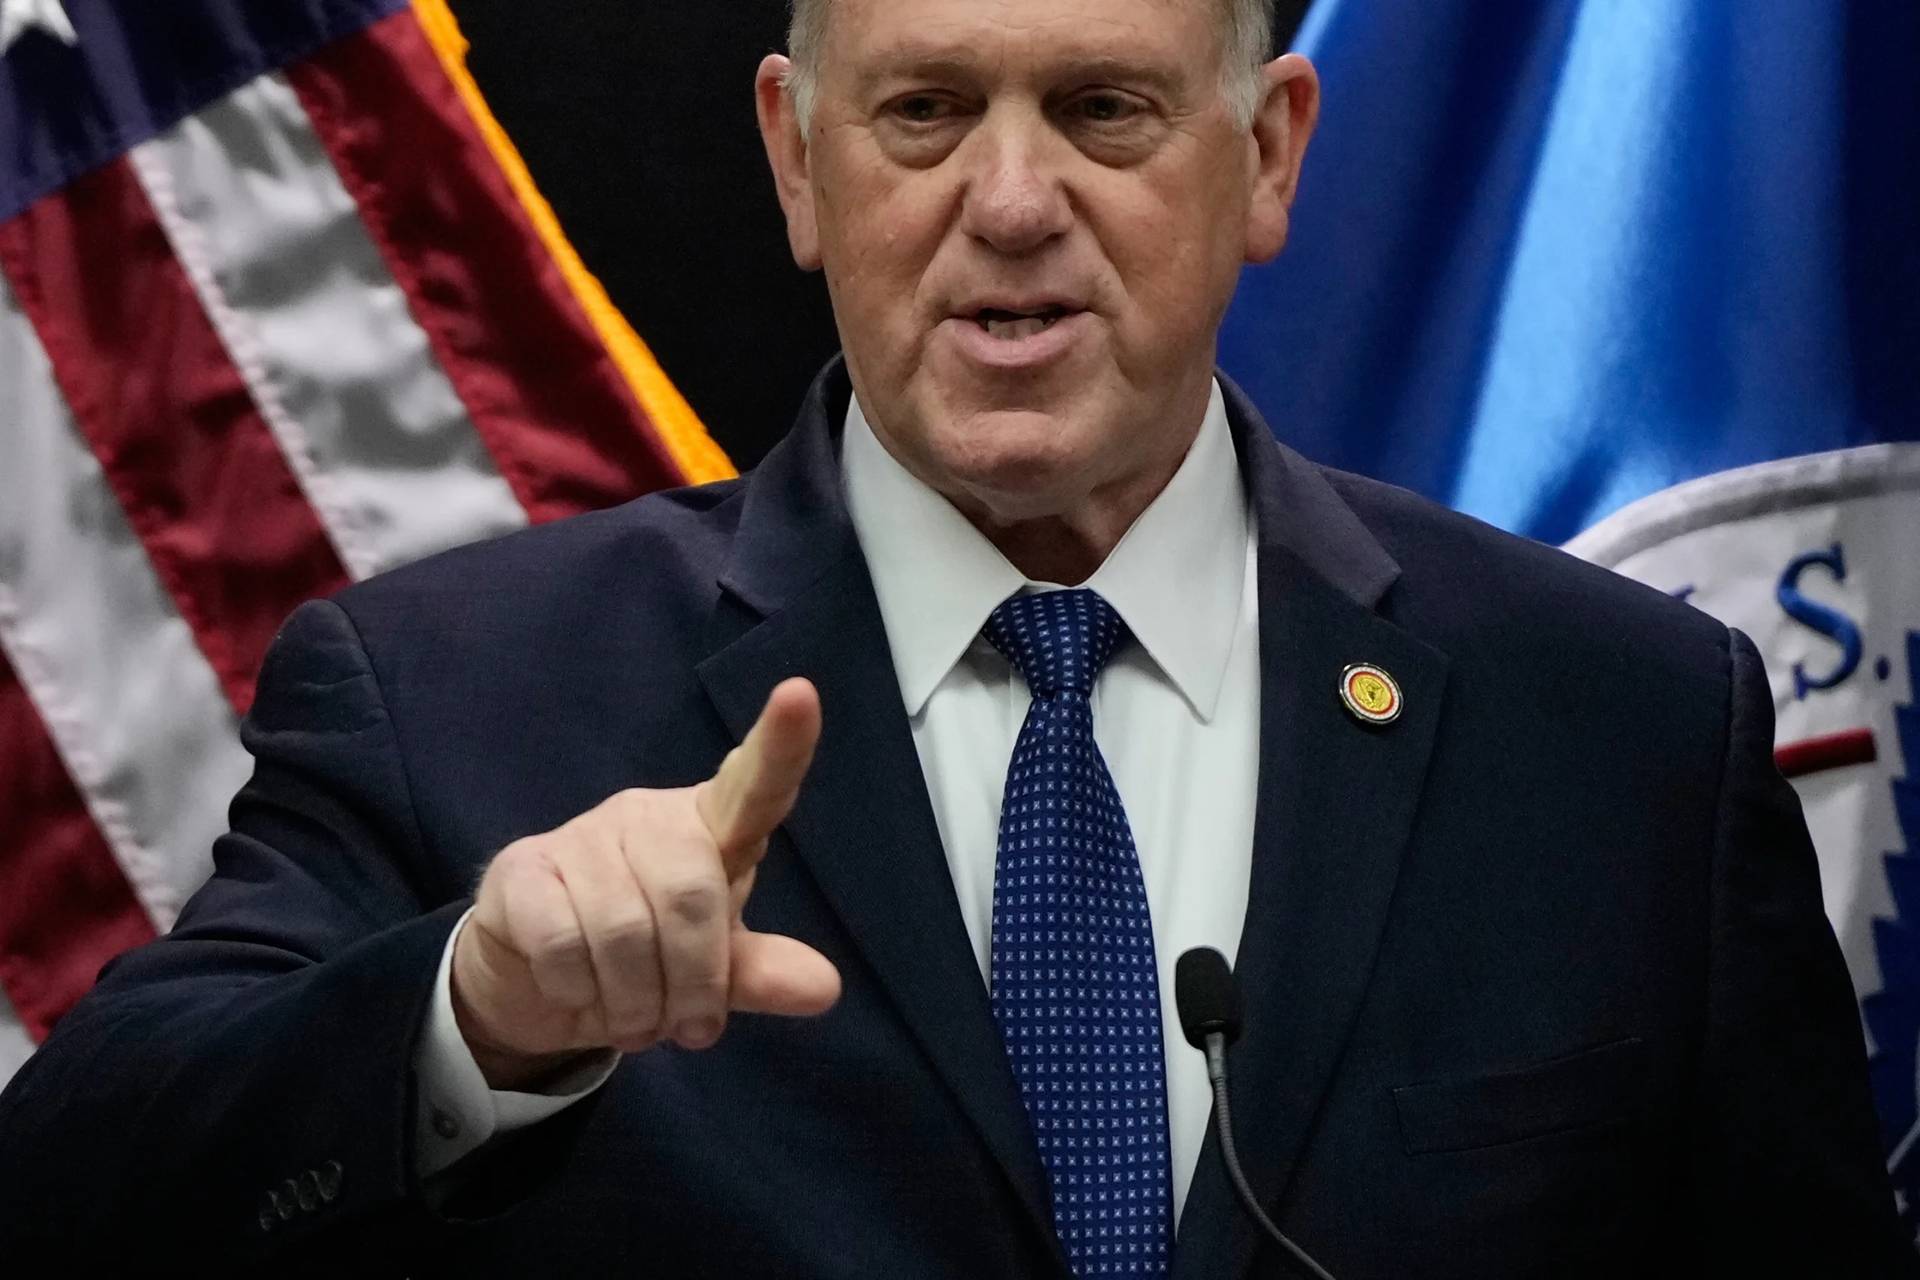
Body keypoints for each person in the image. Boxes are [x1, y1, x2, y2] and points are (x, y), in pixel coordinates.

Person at [0, 0, 1909, 1274]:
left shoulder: (1622, 725)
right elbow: (77, 1192)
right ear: (795, 158)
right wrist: (470, 1014)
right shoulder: (456, 699)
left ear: (1267, 157)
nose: (1011, 206)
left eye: (1103, 110)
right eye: (924, 113)